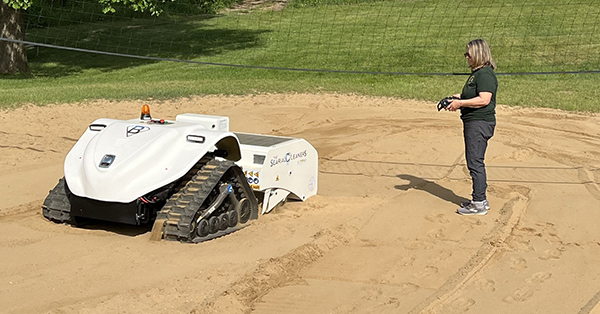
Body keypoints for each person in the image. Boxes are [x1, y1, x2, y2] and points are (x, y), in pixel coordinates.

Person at [445, 39, 497, 216]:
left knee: (475, 162)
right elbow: (475, 95)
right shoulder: (477, 74)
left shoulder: (485, 75)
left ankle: (479, 203)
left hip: (479, 123)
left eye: (468, 54)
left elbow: (484, 99)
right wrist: (457, 98)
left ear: (478, 54)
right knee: (475, 160)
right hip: (474, 122)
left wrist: (460, 103)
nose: (466, 57)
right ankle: (479, 199)